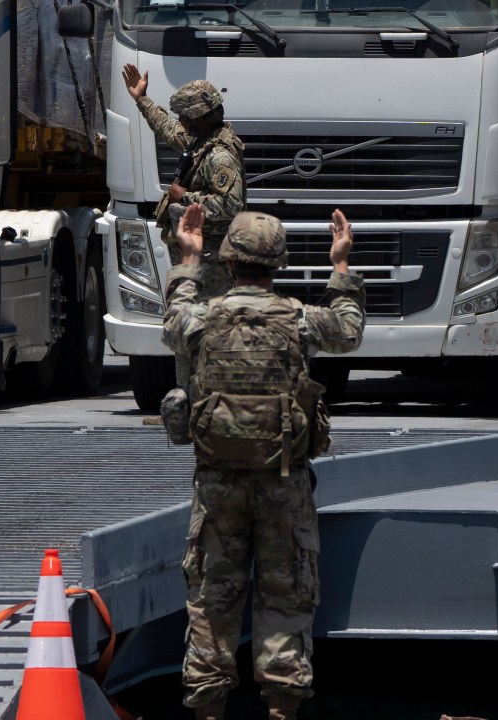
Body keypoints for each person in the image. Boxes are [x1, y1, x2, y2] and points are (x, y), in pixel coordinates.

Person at [163, 201, 364, 720]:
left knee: (212, 601)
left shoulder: (200, 319)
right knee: (286, 597)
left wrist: (188, 259)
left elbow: (171, 321)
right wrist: (340, 264)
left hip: (217, 485)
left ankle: (207, 709)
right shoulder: (298, 320)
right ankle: (281, 709)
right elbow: (349, 329)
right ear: (278, 266)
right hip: (284, 483)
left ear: (228, 262)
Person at [123, 65, 247, 297]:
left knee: (208, 320)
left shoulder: (219, 155)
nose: (180, 120)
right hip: (200, 253)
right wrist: (141, 99)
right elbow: (168, 130)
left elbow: (231, 204)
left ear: (201, 117)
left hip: (212, 261)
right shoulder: (202, 140)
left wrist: (185, 197)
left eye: (185, 116)